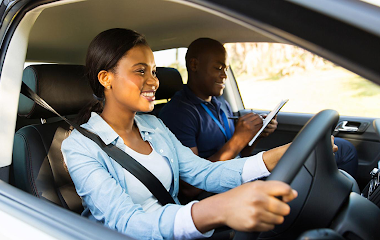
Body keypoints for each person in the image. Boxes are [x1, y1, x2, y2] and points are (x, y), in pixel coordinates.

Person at [61, 28, 297, 240]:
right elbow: (126, 223)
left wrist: (278, 156)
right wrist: (217, 210)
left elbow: (203, 172)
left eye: (153, 71)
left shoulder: (154, 126)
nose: (153, 81)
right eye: (140, 71)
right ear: (106, 78)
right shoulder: (80, 146)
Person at [159, 38, 358, 202]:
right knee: (335, 157)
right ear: (194, 65)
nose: (224, 75)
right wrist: (238, 139)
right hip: (214, 191)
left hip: (240, 172)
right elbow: (190, 187)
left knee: (342, 148)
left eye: (226, 68)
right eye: (218, 67)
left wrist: (256, 136)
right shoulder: (178, 113)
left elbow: (240, 156)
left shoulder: (220, 104)